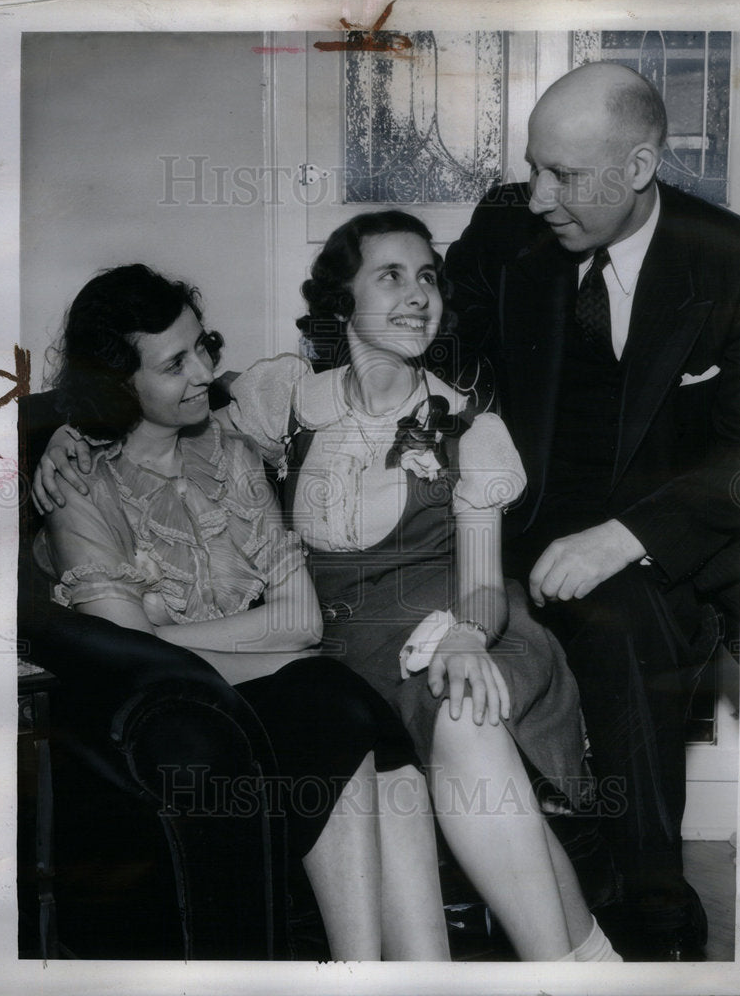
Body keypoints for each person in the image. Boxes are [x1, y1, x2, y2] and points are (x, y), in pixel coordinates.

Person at [33, 218, 621, 962]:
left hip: (448, 618)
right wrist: (69, 430)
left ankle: (557, 973)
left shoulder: (466, 427)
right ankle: (591, 966)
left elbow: (472, 582)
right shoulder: (279, 400)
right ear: (339, 308)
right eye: (391, 277)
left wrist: (468, 633)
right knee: (383, 720)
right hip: (340, 644)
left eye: (427, 277)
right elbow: (152, 419)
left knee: (463, 710)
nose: (417, 297)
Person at [32, 263, 451, 962]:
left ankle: (418, 977)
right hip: (153, 722)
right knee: (325, 694)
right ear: (118, 383)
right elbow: (137, 658)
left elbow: (303, 619)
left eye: (204, 345)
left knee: (372, 744)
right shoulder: (81, 486)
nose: (203, 372)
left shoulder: (228, 452)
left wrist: (196, 639)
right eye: (174, 364)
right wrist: (274, 656)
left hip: (255, 689)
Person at [442, 62, 740, 960]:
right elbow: (435, 338)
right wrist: (472, 413)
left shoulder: (731, 260)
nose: (535, 196)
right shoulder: (507, 225)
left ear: (640, 165)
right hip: (507, 520)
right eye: (533, 167)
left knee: (622, 626)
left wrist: (626, 538)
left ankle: (650, 898)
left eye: (562, 176)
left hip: (653, 538)